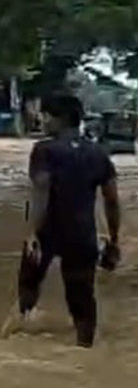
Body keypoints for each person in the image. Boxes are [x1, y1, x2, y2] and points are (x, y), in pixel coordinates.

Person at [18, 93, 121, 348]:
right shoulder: (98, 153)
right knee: (82, 297)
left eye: (45, 115)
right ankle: (85, 348)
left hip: (47, 232)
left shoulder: (44, 150)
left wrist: (32, 232)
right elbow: (112, 200)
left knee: (29, 285)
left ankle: (17, 333)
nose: (42, 120)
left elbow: (41, 191)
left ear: (59, 119)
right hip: (82, 235)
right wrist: (114, 240)